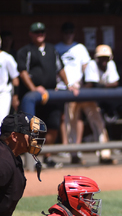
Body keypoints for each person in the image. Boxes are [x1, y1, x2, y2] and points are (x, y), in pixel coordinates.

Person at [17, 22, 78, 169]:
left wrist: (68, 84)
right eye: (36, 32)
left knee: (53, 127)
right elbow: (23, 72)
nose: (40, 35)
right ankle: (33, 159)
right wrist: (34, 88)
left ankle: (46, 156)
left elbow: (60, 69)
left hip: (51, 95)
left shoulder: (52, 49)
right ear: (31, 34)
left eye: (42, 32)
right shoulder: (26, 51)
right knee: (35, 129)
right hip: (33, 99)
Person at [55, 22, 92, 165]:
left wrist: (80, 82)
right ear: (62, 33)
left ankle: (76, 146)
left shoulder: (80, 48)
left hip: (76, 87)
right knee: (64, 117)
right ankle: (66, 146)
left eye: (71, 32)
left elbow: (86, 66)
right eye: (66, 32)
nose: (68, 35)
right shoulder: (57, 48)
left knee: (77, 116)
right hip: (62, 87)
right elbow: (55, 68)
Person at [80, 44, 121, 164]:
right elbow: (91, 85)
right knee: (72, 125)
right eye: (101, 58)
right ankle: (74, 155)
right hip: (80, 97)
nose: (104, 61)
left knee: (99, 125)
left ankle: (104, 155)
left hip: (94, 99)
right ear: (96, 58)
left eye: (106, 58)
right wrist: (104, 86)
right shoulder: (92, 64)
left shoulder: (111, 64)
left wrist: (102, 86)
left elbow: (115, 83)